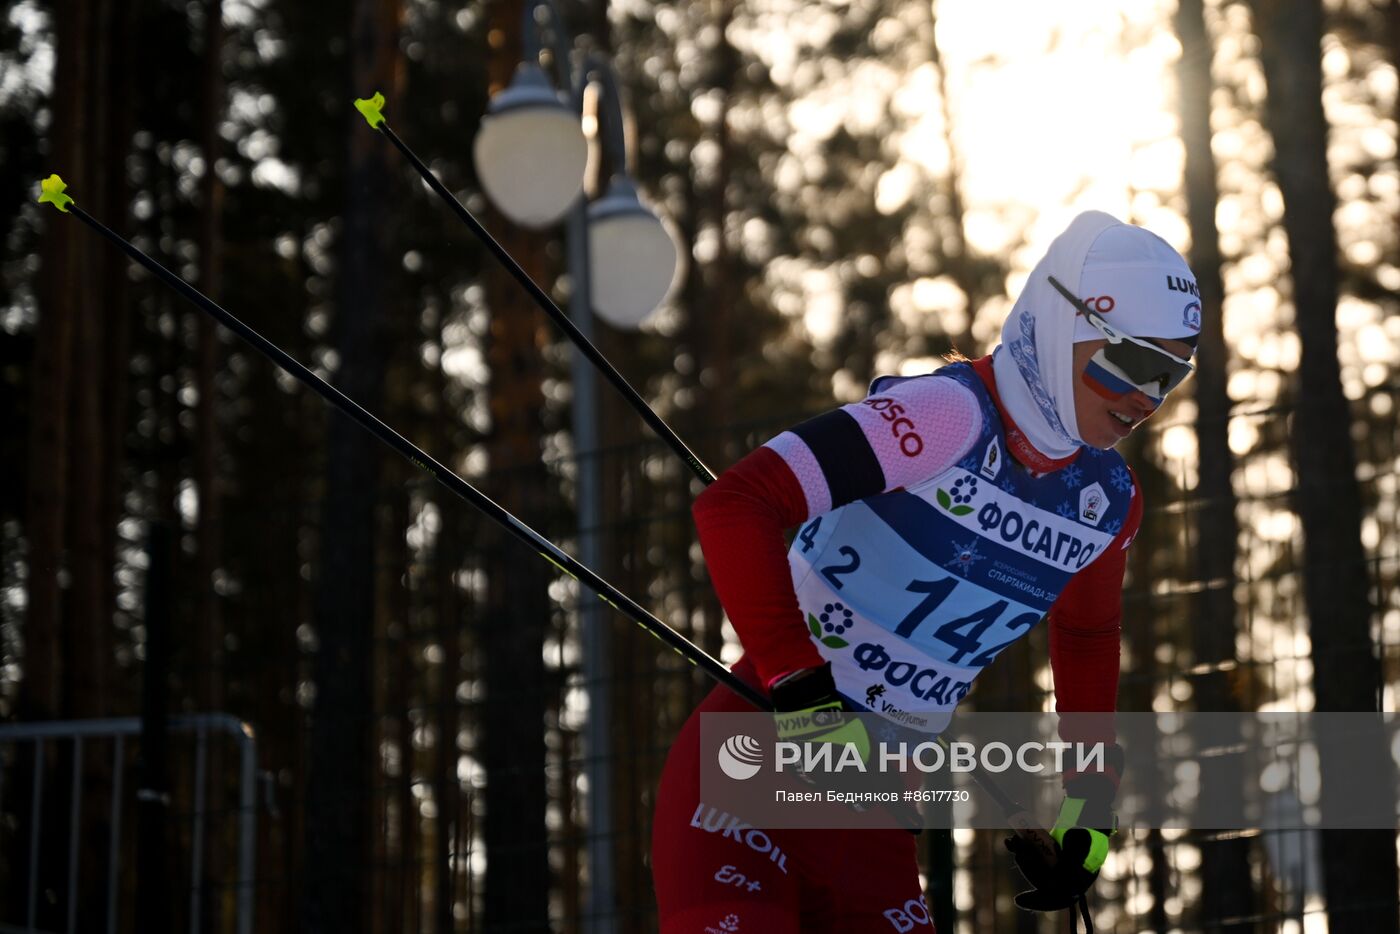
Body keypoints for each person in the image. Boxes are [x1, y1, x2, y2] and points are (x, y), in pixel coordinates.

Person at [651, 210, 1202, 933]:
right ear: (1064, 319)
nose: (1146, 399)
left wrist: (1089, 803)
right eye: (1130, 363)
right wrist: (804, 691)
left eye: (1171, 376)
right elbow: (736, 504)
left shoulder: (1105, 503)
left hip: (870, 805)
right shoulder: (946, 417)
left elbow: (1089, 633)